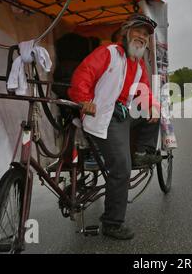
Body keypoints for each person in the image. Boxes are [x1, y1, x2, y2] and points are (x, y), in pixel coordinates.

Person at [68, 14, 162, 240]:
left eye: (146, 35)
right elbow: (84, 75)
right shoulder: (108, 53)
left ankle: (142, 152)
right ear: (127, 33)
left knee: (157, 112)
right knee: (121, 167)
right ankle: (112, 223)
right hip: (103, 115)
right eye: (138, 32)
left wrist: (151, 106)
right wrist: (84, 99)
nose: (142, 37)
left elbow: (144, 91)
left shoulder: (138, 65)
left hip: (122, 113)